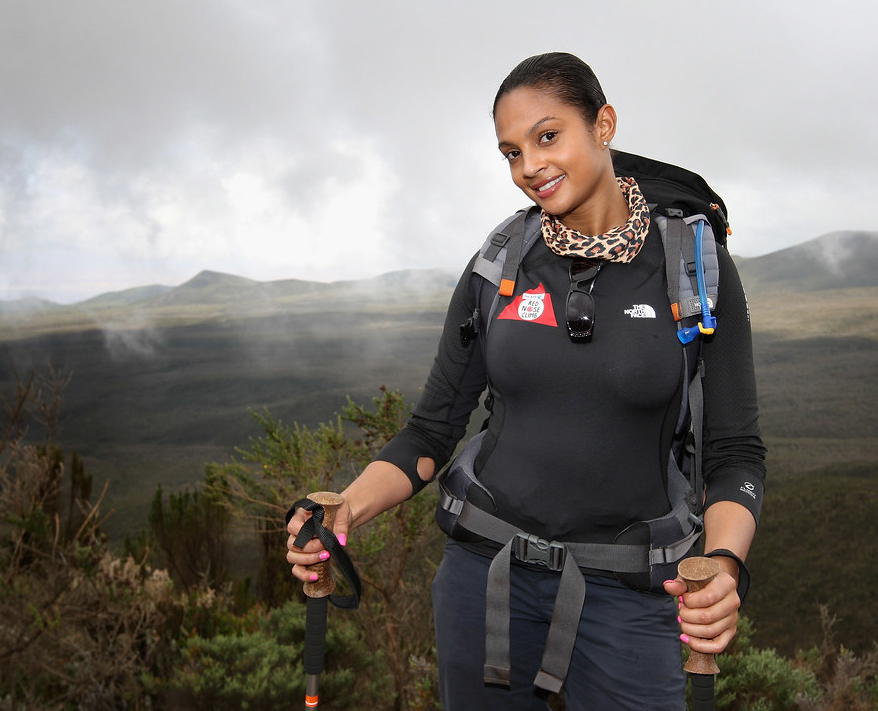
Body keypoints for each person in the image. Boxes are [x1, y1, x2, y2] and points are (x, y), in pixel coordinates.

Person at [286, 52, 766, 711]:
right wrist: (346, 510)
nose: (529, 167)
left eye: (547, 137)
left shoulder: (694, 266)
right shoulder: (500, 263)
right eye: (511, 152)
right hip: (484, 580)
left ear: (604, 124)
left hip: (629, 595)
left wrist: (725, 565)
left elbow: (735, 452)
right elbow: (432, 431)